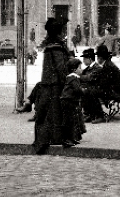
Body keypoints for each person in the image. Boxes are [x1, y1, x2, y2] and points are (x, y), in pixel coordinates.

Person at [33, 17, 71, 154]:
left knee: (46, 113)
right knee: (54, 113)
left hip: (47, 84)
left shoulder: (51, 46)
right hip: (55, 85)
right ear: (59, 32)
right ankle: (49, 140)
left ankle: (45, 140)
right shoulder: (56, 47)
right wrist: (68, 81)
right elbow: (61, 68)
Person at [81, 44, 120, 123]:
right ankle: (90, 114)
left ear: (100, 58)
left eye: (97, 57)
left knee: (92, 92)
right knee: (89, 91)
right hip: (112, 90)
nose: (97, 59)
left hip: (115, 92)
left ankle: (99, 115)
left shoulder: (108, 66)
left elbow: (105, 83)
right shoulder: (107, 64)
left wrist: (95, 87)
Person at [60, 57, 86, 148]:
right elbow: (77, 89)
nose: (81, 69)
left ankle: (72, 138)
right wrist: (83, 91)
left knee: (72, 121)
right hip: (68, 101)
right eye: (80, 67)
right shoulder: (73, 78)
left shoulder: (73, 77)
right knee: (69, 121)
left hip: (70, 101)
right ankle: (66, 139)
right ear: (74, 70)